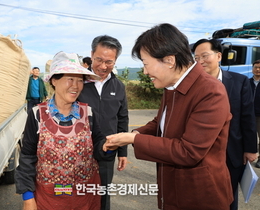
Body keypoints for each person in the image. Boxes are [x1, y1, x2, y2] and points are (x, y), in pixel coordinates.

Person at [103, 23, 233, 210]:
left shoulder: (210, 91)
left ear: (169, 60)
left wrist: (134, 139)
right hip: (172, 186)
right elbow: (161, 123)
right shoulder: (171, 86)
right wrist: (134, 134)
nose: (145, 71)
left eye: (146, 64)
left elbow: (189, 152)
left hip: (200, 195)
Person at [15, 52, 117, 210]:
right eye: (70, 79)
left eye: (79, 80)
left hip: (85, 199)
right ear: (54, 80)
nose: (76, 86)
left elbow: (98, 151)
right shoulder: (37, 115)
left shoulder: (88, 113)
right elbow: (27, 157)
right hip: (49, 199)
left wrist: (108, 148)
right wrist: (28, 197)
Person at [192, 38, 258, 210]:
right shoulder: (192, 85)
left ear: (219, 56)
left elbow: (247, 117)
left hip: (231, 151)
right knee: (201, 195)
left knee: (228, 196)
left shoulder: (239, 81)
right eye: (196, 58)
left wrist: (250, 149)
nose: (200, 61)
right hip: (200, 152)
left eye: (205, 56)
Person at [78, 35, 128, 210]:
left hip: (108, 149)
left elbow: (122, 119)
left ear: (115, 61)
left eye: (109, 62)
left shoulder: (118, 87)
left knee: (103, 193)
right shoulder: (78, 82)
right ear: (91, 54)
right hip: (77, 151)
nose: (103, 66)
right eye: (99, 59)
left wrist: (123, 151)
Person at [250, 59, 260, 168]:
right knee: (249, 136)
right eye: (255, 67)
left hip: (259, 115)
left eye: (259, 67)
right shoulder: (247, 82)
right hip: (248, 114)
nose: (257, 69)